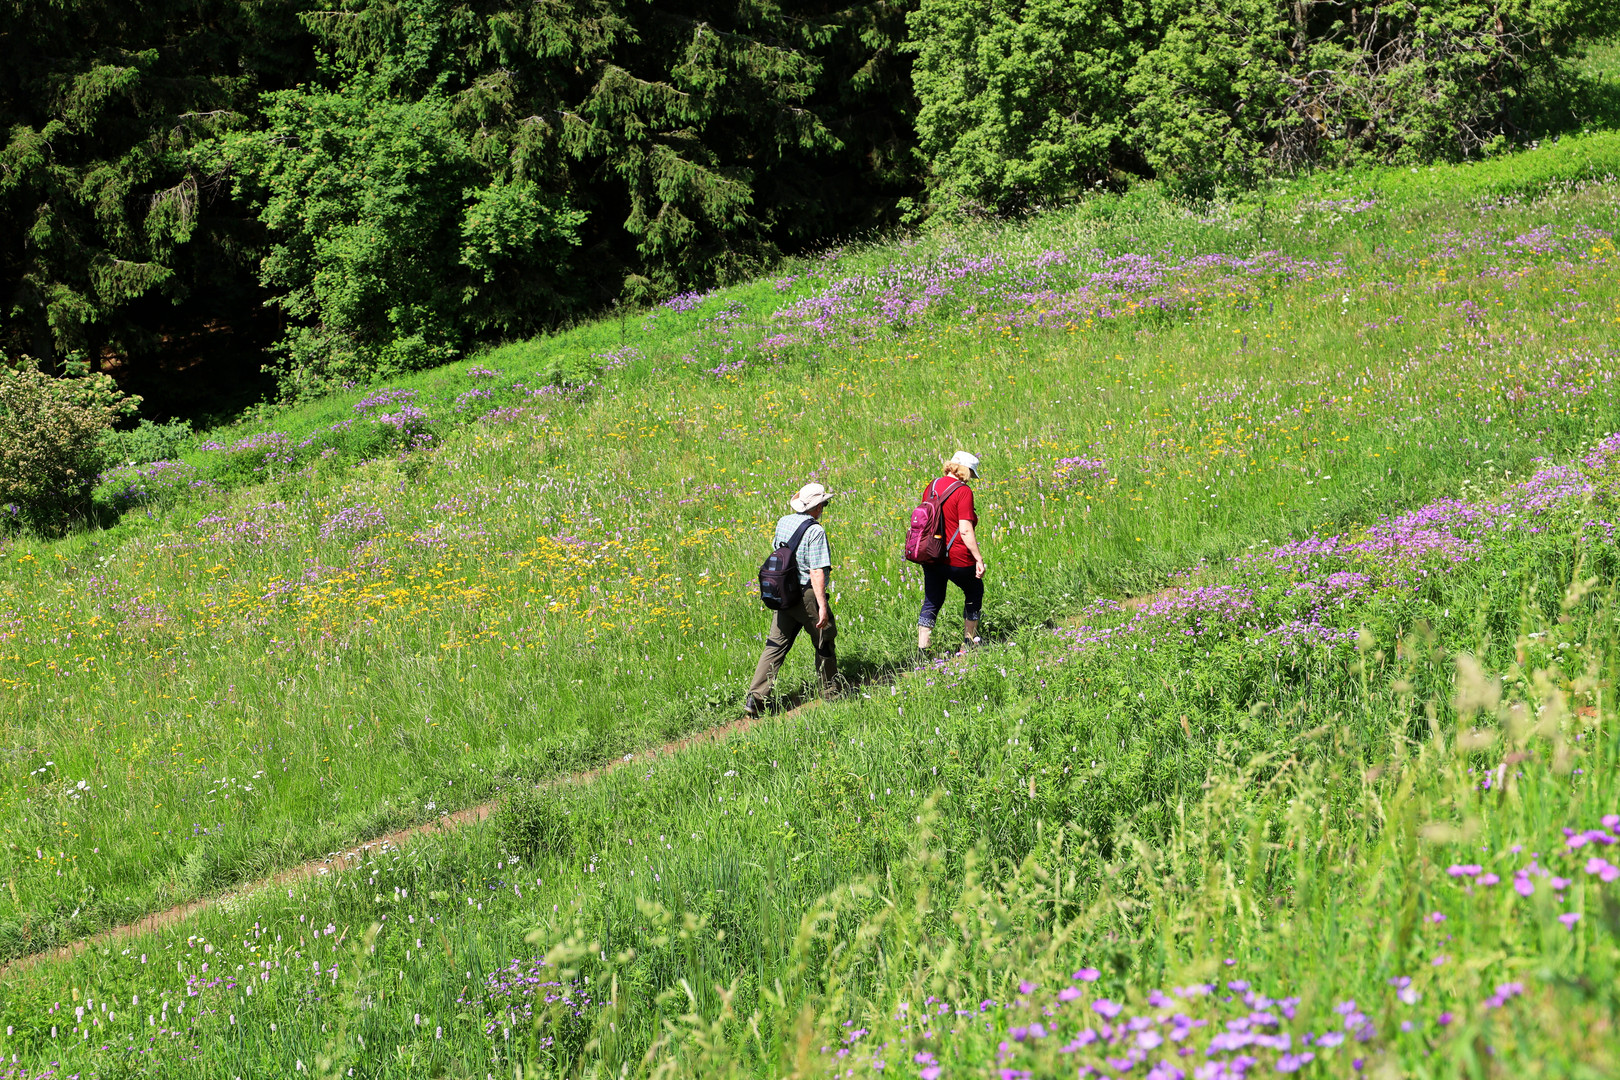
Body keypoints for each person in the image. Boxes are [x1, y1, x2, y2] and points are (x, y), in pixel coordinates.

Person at [746, 482, 837, 716]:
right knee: (824, 639)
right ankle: (831, 692)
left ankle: (755, 699)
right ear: (816, 507)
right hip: (806, 595)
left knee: (775, 644)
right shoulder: (816, 531)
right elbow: (816, 572)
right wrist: (822, 607)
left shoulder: (784, 521)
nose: (824, 508)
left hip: (784, 592)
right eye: (823, 504)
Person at [917, 450, 986, 658]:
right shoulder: (963, 492)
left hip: (930, 554)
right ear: (964, 470)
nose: (971, 479)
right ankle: (969, 643)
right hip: (956, 556)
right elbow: (965, 529)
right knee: (974, 591)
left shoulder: (933, 485)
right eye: (971, 474)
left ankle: (922, 651)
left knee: (932, 599)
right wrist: (978, 558)